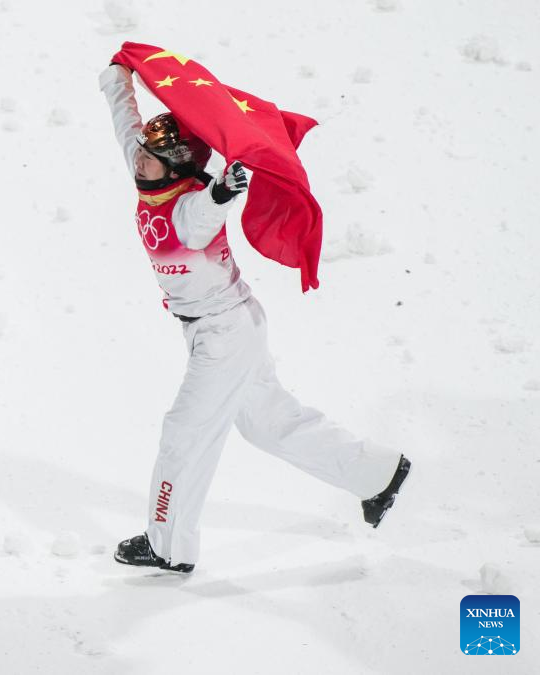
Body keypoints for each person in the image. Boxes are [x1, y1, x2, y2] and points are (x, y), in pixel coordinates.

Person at [98, 63, 412, 574]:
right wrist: (118, 74)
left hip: (223, 334)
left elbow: (204, 216)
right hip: (225, 326)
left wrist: (223, 192)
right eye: (141, 152)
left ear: (176, 167)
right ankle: (378, 474)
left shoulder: (189, 209)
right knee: (268, 424)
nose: (139, 159)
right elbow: (124, 122)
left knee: (184, 433)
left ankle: (168, 546)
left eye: (150, 157)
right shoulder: (150, 176)